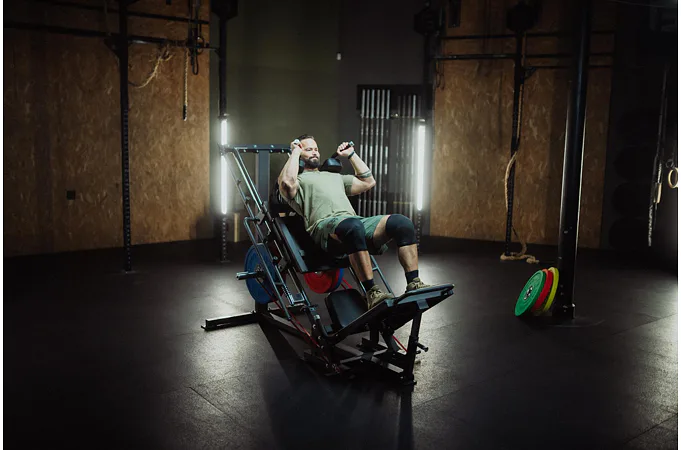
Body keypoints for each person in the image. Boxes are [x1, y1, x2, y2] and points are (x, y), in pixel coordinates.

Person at [277, 134, 430, 309]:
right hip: (325, 226)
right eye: (308, 149)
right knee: (353, 227)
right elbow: (287, 183)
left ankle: (414, 283)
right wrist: (294, 152)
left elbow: (368, 181)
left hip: (353, 222)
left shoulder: (334, 176)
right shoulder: (297, 181)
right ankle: (372, 292)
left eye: (316, 149)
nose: (314, 152)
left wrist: (351, 155)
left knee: (402, 223)